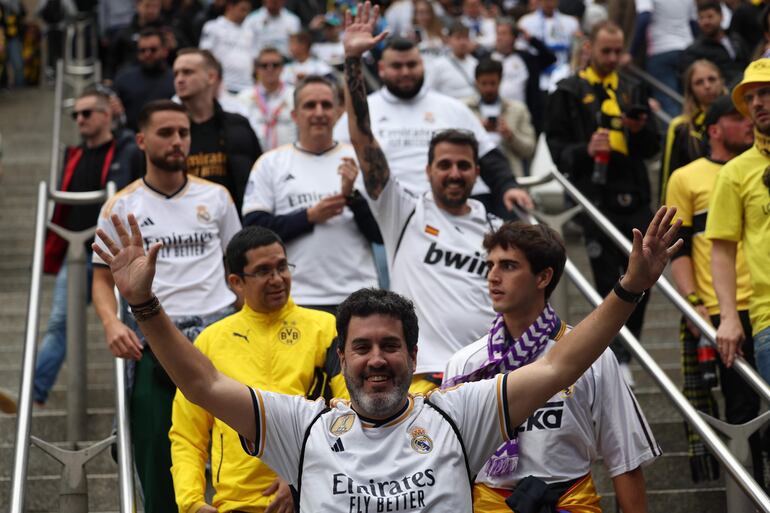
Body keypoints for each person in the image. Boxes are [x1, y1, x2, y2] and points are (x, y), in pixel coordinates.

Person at [92, 118, 680, 513]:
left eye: (390, 346)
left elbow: (560, 365)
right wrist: (144, 306)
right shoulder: (305, 426)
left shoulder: (458, 413)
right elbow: (201, 384)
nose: (376, 359)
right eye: (362, 347)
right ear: (341, 356)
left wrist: (630, 286)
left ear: (414, 356)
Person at [443, 221, 658, 512]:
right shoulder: (466, 363)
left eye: (508, 266)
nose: (492, 276)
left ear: (543, 277)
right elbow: (449, 464)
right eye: (490, 265)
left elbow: (626, 459)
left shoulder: (594, 356)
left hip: (570, 503)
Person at [91, 100, 242, 513]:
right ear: (141, 140)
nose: (177, 141)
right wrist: (110, 323)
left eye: (183, 133)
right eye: (166, 133)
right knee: (156, 453)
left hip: (218, 334)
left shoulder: (217, 197)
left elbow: (239, 270)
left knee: (237, 451)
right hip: (152, 339)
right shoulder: (122, 205)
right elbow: (101, 279)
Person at [170, 226, 348, 513]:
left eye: (282, 267)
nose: (277, 279)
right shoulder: (210, 341)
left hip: (313, 498)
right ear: (236, 282)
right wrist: (191, 502)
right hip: (235, 503)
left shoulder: (326, 328)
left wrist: (299, 473)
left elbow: (347, 415)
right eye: (264, 271)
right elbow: (188, 433)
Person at [545, 20, 660, 385]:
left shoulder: (632, 87)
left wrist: (639, 130)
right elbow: (557, 150)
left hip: (635, 196)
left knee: (644, 275)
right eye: (605, 51)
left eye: (617, 51)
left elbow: (652, 147)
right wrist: (585, 150)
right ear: (589, 48)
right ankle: (612, 357)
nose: (612, 58)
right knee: (608, 281)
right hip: (594, 198)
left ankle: (624, 352)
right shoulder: (568, 90)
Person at [666, 95, 764, 484]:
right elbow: (678, 250)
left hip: (763, 303)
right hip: (725, 311)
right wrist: (694, 303)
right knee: (741, 408)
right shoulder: (685, 178)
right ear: (714, 130)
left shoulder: (759, 168)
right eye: (736, 117)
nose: (748, 121)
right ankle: (752, 492)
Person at [333, 36, 533, 218]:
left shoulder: (452, 108)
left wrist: (508, 187)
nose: (405, 72)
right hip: (387, 215)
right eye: (397, 66)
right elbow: (334, 159)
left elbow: (488, 155)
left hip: (455, 211)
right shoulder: (362, 113)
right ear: (382, 68)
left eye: (412, 64)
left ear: (422, 65)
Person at [34, 89, 140, 406]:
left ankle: (133, 393)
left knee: (132, 320)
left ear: (106, 115)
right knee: (59, 322)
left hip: (118, 255)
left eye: (86, 113)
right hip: (78, 252)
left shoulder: (127, 150)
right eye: (75, 114)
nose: (79, 119)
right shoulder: (73, 156)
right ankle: (34, 391)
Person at [241, 75, 379, 313]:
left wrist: (352, 198)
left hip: (357, 294)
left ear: (338, 112)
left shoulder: (360, 159)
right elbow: (253, 231)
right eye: (310, 105)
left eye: (326, 105)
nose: (319, 112)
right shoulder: (270, 163)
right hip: (295, 296)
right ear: (294, 115)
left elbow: (381, 234)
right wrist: (309, 216)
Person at [706, 59, 770, 385]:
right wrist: (729, 316)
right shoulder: (735, 172)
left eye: (765, 92)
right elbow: (722, 251)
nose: (757, 102)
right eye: (750, 97)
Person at [173, 48, 262, 216]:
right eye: (176, 74)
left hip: (235, 221)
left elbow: (258, 179)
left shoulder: (238, 125)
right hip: (184, 223)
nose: (179, 79)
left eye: (187, 72)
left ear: (211, 77)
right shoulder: (169, 132)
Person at [659, 59, 726, 203]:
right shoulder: (680, 127)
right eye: (699, 82)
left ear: (721, 81)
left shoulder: (740, 120)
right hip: (696, 201)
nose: (707, 86)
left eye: (712, 79)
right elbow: (668, 175)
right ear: (691, 89)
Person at [465, 58, 536, 178]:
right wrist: (477, 131)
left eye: (493, 83)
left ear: (500, 81)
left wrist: (510, 136)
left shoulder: (518, 109)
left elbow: (529, 150)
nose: (489, 89)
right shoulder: (465, 108)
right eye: (484, 83)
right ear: (476, 82)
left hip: (510, 175)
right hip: (474, 178)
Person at [629, 0, 697, 117]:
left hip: (660, 50)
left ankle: (676, 129)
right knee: (688, 101)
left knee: (668, 104)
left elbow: (644, 17)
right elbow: (694, 23)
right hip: (687, 49)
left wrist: (631, 52)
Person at [491, 19, 556, 133]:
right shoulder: (488, 58)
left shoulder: (526, 59)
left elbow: (550, 58)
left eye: (504, 33)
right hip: (495, 113)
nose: (499, 37)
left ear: (514, 37)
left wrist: (530, 38)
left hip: (522, 115)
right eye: (498, 33)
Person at [113, 28, 176, 132]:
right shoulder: (123, 79)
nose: (147, 54)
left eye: (153, 50)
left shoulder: (176, 79)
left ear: (165, 51)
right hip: (133, 137)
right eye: (142, 50)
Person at [237, 48, 296, 151]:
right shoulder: (244, 97)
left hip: (289, 155)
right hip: (255, 155)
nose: (270, 69)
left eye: (275, 65)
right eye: (264, 65)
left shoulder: (294, 95)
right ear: (257, 69)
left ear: (282, 68)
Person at [517, 0, 581, 93]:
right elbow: (522, 52)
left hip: (565, 77)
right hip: (537, 78)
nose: (549, 2)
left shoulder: (571, 22)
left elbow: (576, 53)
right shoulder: (526, 22)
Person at [680, 2, 749, 86]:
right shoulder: (693, 51)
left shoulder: (736, 39)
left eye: (710, 16)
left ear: (721, 16)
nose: (706, 22)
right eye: (701, 18)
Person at [199, 0, 255, 94]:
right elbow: (205, 55)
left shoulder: (249, 31)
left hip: (247, 86)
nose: (245, 14)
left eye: (248, 11)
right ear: (230, 7)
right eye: (242, 9)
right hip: (223, 85)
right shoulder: (213, 27)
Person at [425, 22, 477, 100]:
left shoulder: (475, 63)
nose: (463, 42)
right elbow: (429, 91)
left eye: (466, 38)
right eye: (458, 38)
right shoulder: (437, 65)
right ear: (449, 40)